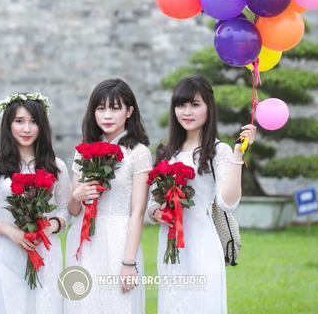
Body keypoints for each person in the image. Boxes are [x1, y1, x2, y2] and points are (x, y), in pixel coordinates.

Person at [148, 75, 256, 314]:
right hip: (169, 245)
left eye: (195, 105)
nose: (186, 112)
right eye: (181, 105)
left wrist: (238, 156)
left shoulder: (218, 150)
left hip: (202, 243)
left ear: (209, 107)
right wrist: (156, 212)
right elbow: (152, 202)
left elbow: (227, 203)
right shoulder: (166, 152)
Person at [65, 78, 152, 313]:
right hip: (84, 240)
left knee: (118, 305)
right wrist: (77, 194)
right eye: (101, 108)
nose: (107, 115)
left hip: (120, 239)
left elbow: (138, 212)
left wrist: (129, 262)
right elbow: (73, 209)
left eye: (115, 108)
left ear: (129, 111)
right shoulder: (83, 151)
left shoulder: (138, 153)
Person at [0, 92, 69, 313]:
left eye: (33, 122)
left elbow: (65, 210)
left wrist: (49, 228)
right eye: (19, 121)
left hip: (45, 250)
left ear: (42, 126)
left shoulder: (56, 166)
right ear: (8, 124)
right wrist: (12, 233)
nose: (27, 129)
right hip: (8, 250)